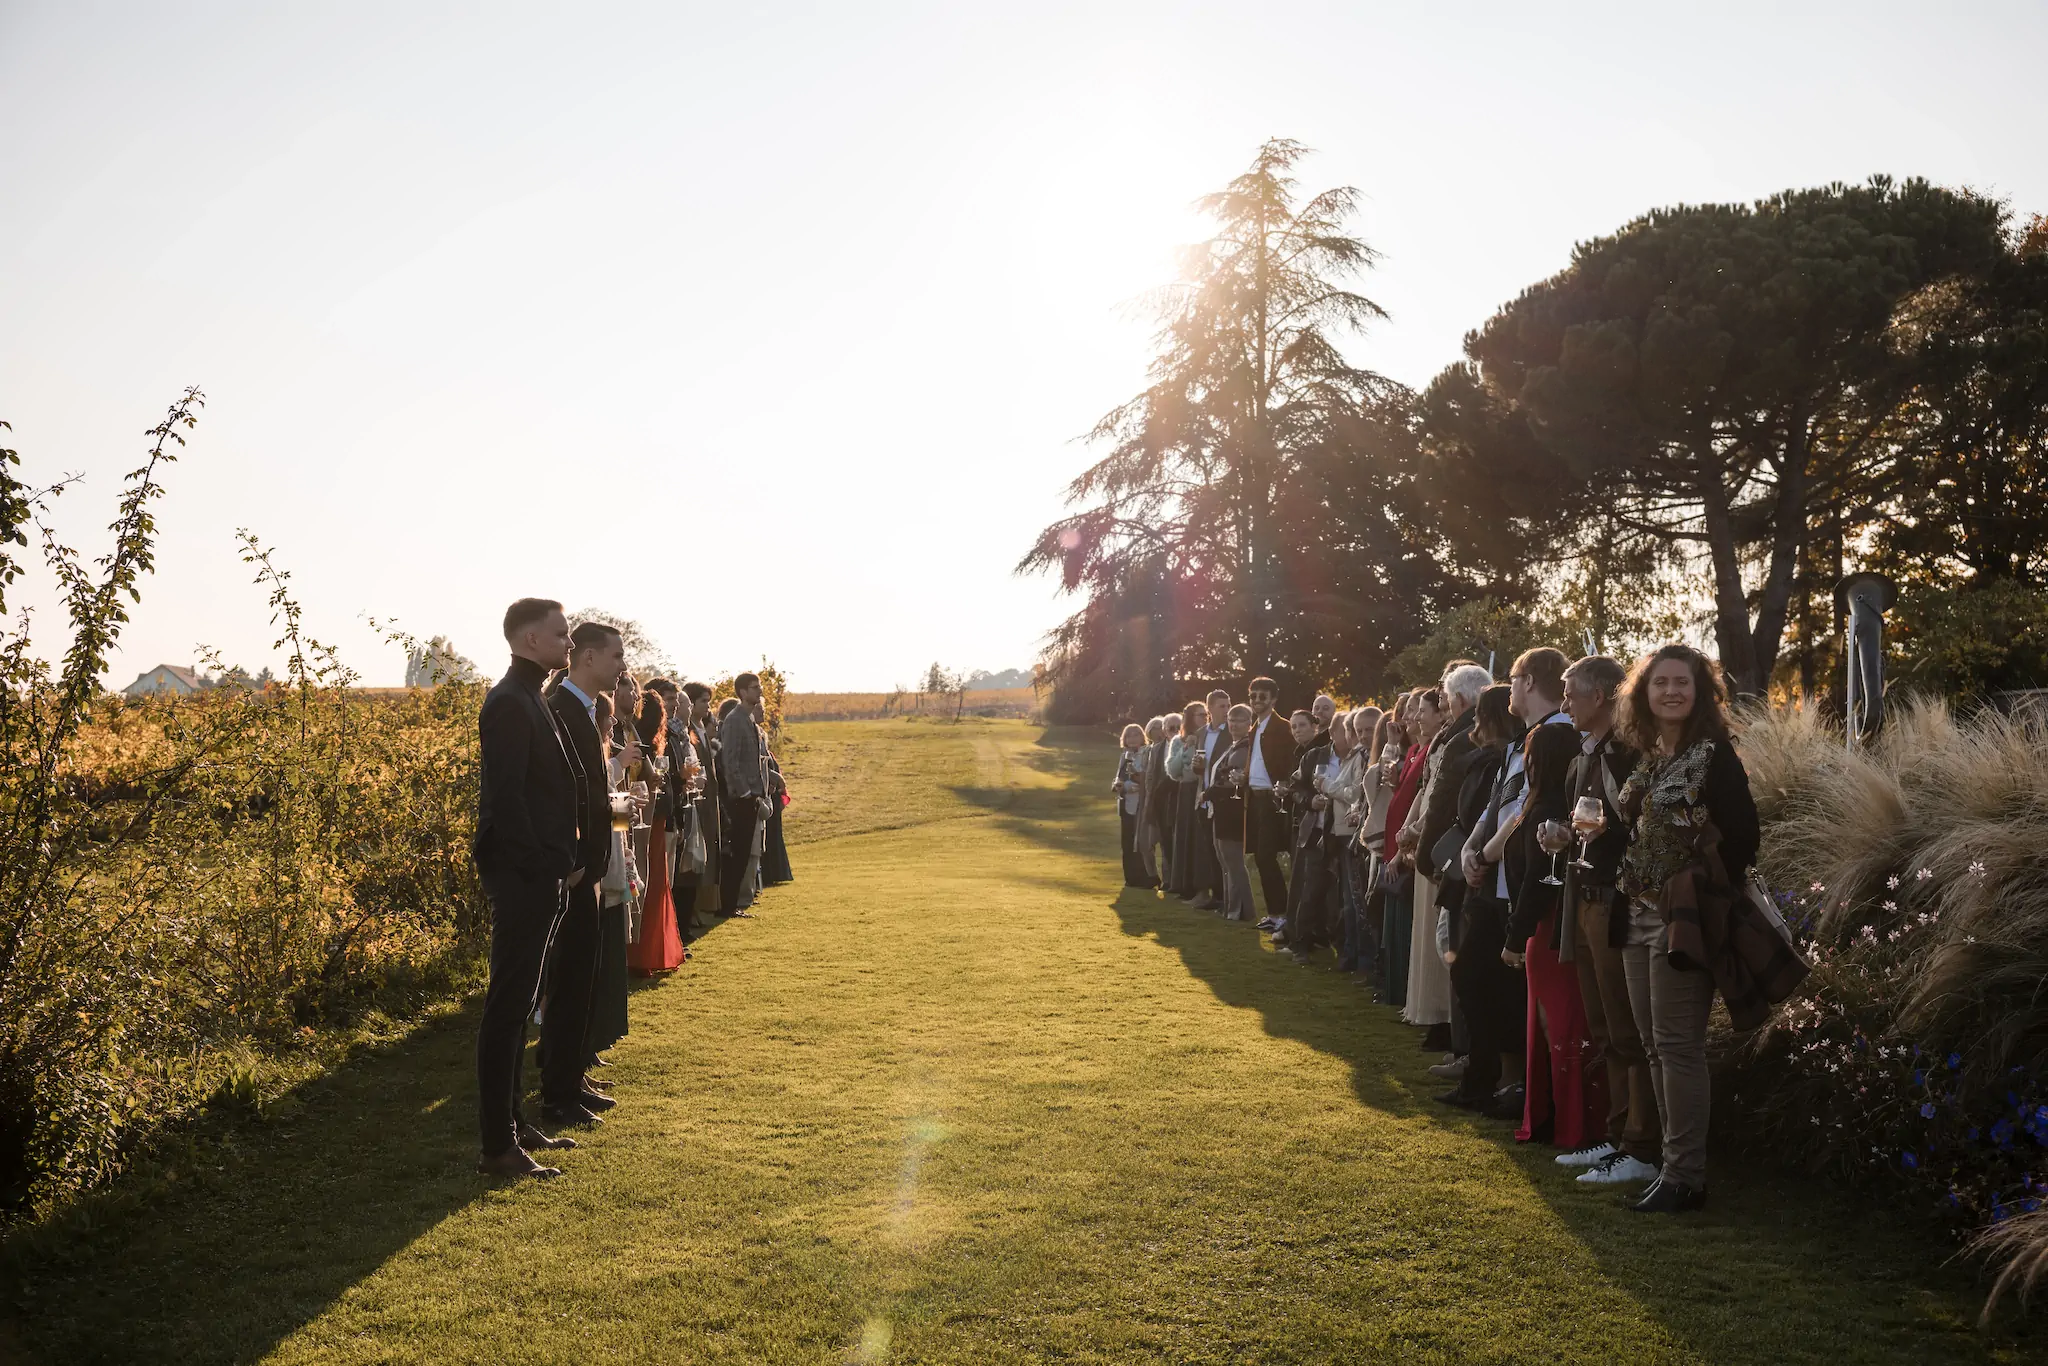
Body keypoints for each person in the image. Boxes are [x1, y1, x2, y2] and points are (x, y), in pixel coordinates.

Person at [1612, 642, 1798, 1214]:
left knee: (1677, 1046)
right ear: (1644, 692)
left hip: (1684, 920)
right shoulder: (1650, 755)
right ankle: (1671, 1167)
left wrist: (1696, 883)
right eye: (1660, 682)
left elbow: (1744, 839)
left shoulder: (1714, 755)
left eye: (1682, 683)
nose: (1671, 691)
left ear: (1700, 693)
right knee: (1653, 1045)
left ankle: (1686, 1176)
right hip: (1635, 912)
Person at [1537, 655, 1661, 1187]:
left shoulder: (1629, 753)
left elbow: (1642, 827)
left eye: (1571, 693)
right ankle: (1615, 1136)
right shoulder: (1583, 754)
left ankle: (1641, 1145)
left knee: (1628, 1027)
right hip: (1584, 898)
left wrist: (1595, 835)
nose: (1564, 703)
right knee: (1605, 1027)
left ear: (1602, 695)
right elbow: (1584, 823)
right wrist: (1562, 835)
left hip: (1616, 901)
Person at [472, 597, 580, 1180]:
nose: (569, 642)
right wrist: (540, 866)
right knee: (508, 1008)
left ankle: (514, 1123)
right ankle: (498, 1146)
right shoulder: (509, 701)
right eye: (561, 634)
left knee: (521, 1005)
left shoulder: (530, 694)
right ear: (530, 639)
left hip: (538, 873)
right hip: (521, 876)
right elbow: (507, 798)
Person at [538, 619, 626, 1132]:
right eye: (615, 656)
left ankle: (571, 1079)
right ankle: (557, 1095)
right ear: (588, 657)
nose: (621, 666)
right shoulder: (561, 710)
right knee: (568, 984)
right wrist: (570, 859)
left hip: (590, 867)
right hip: (573, 871)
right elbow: (555, 793)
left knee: (582, 981)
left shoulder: (588, 710)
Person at [1503, 720, 1605, 1150]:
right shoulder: (1550, 805)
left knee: (1561, 1025)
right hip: (1548, 928)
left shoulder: (1548, 810)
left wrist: (1515, 937)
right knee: (1554, 1025)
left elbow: (1536, 881)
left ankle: (1575, 1124)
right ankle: (1558, 1116)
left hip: (1548, 930)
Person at [627, 686, 685, 974]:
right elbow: (648, 780)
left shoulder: (637, 736)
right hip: (644, 818)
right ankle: (644, 954)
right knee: (647, 882)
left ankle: (649, 952)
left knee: (653, 882)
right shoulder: (637, 740)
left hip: (654, 817)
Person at [1242, 677, 1298, 923]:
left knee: (1266, 855)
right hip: (1254, 798)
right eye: (1253, 696)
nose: (1256, 700)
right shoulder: (1254, 728)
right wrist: (1243, 777)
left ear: (1273, 699)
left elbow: (1291, 761)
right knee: (1258, 856)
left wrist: (1285, 785)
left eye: (1262, 696)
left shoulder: (1283, 727)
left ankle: (1282, 913)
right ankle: (1275, 914)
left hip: (1272, 799)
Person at [718, 673, 768, 915]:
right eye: (754, 687)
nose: (759, 690)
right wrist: (745, 791)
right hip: (741, 799)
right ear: (742, 692)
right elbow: (730, 760)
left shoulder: (748, 719)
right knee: (737, 854)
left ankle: (733, 904)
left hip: (750, 797)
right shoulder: (735, 720)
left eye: (759, 686)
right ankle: (728, 905)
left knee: (744, 854)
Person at [1204, 704, 1256, 920]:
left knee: (1233, 861)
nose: (1234, 724)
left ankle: (1242, 910)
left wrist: (1209, 793)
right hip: (1222, 809)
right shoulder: (1233, 745)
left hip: (1233, 809)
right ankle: (1230, 907)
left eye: (1239, 720)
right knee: (1224, 860)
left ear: (1249, 723)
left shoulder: (1245, 747)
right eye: (1231, 720)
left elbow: (1229, 778)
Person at [1114, 723, 1154, 888]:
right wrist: (1118, 785)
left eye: (1136, 735)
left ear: (1142, 737)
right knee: (1127, 842)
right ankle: (1130, 878)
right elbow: (1119, 777)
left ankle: (1145, 877)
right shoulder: (1124, 756)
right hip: (1126, 804)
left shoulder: (1147, 753)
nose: (1132, 739)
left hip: (1141, 803)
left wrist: (1133, 784)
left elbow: (1147, 778)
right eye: (1128, 736)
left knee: (1140, 842)